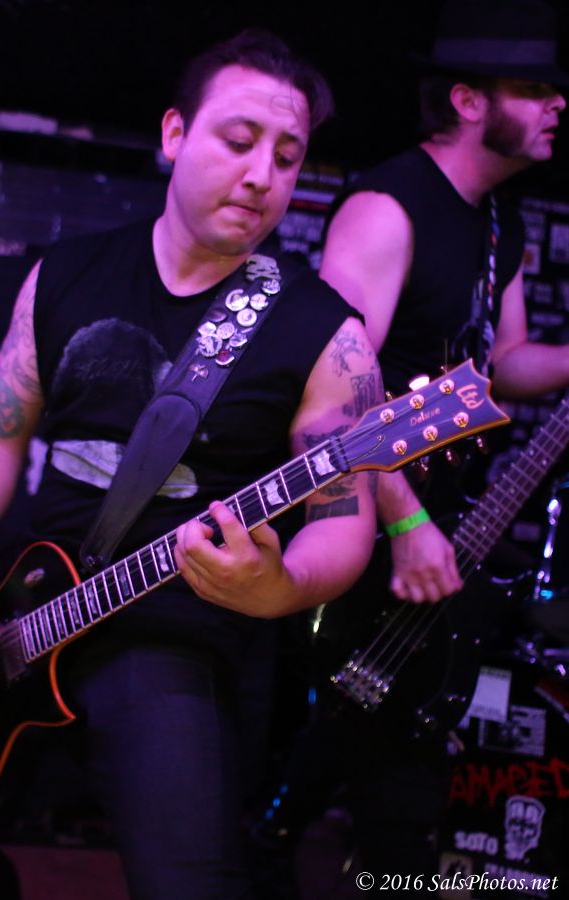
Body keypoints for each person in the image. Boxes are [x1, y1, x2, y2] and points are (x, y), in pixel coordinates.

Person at [0, 29, 380, 900]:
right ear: (174, 134)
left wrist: (281, 588)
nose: (262, 175)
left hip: (172, 634)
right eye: (238, 141)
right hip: (21, 617)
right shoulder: (65, 275)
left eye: (287, 157)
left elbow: (342, 519)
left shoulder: (327, 334)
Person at [312, 0, 569, 887]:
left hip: (443, 516)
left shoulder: (500, 220)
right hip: (363, 518)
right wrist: (404, 521)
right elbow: (335, 391)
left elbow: (503, 365)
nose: (558, 105)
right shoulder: (387, 208)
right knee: (356, 761)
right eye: (535, 89)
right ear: (466, 100)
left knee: (403, 774)